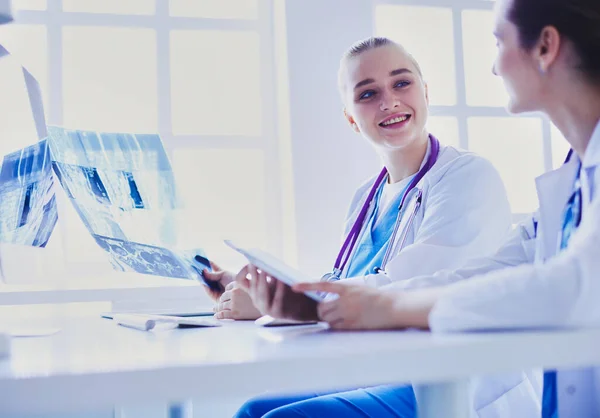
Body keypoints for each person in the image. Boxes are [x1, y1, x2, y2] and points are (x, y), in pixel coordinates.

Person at [254, 0, 600, 416]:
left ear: (545, 47)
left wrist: (387, 306)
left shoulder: (468, 175)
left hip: (454, 384)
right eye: (367, 93)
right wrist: (323, 303)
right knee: (257, 409)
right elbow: (486, 272)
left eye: (498, 42)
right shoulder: (571, 182)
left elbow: (572, 286)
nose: (494, 67)